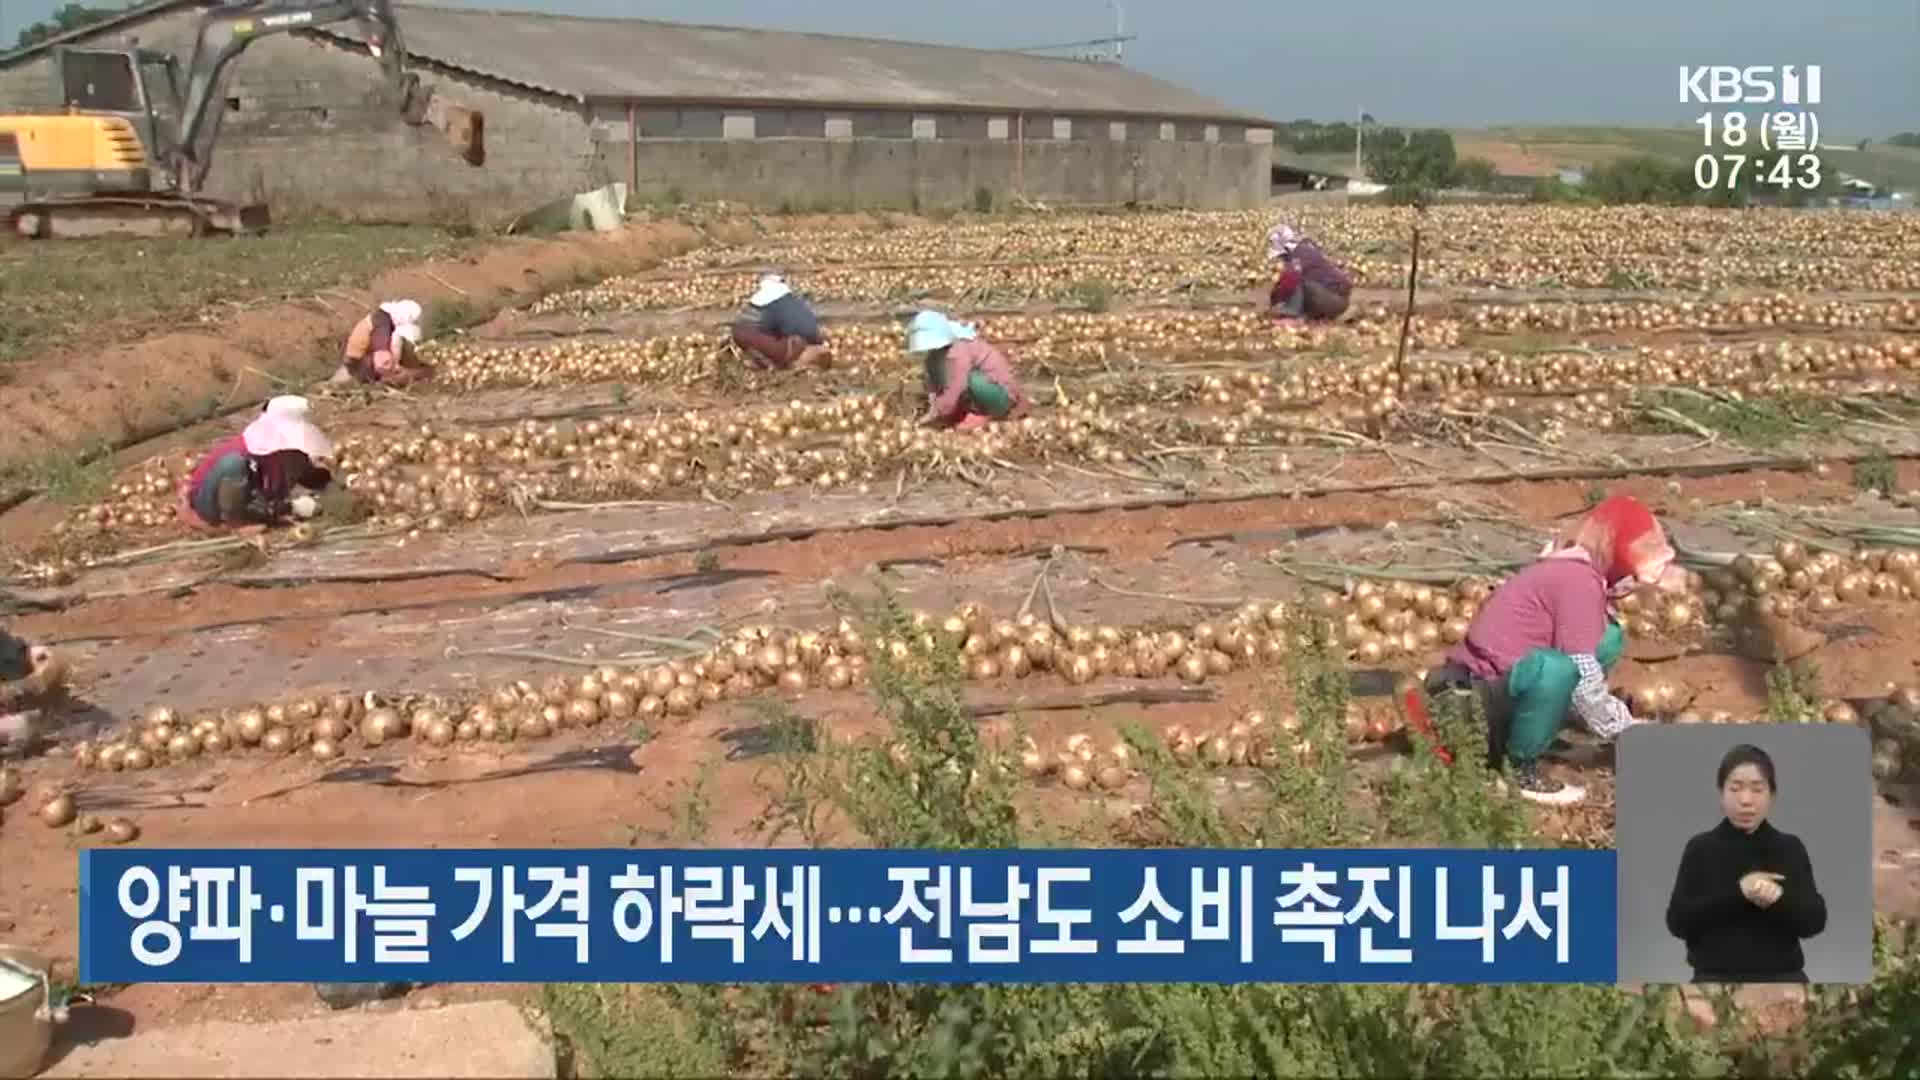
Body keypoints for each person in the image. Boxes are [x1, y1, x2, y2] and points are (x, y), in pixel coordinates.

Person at [1410, 495, 1685, 804]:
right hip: (1472, 704)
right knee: (1557, 669)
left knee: (1607, 637)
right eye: (1632, 575)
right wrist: (1626, 730)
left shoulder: (1579, 571)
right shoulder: (1577, 583)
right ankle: (1518, 770)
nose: (1633, 585)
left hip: (1498, 687)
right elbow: (1581, 675)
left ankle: (1542, 730)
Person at [1665, 744, 1827, 983]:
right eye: (1735, 789)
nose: (1746, 800)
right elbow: (1678, 922)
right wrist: (1740, 892)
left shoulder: (1789, 847)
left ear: (1772, 795)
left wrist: (1778, 900)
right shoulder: (1700, 848)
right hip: (1713, 980)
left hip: (1783, 978)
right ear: (1721, 794)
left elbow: (1814, 922)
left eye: (1757, 789)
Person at [178, 396, 335, 533]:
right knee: (234, 464)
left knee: (270, 507)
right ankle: (236, 523)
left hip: (248, 498)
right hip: (208, 502)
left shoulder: (293, 452)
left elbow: (307, 474)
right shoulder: (254, 448)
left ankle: (248, 515)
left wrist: (336, 490)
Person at [905, 310, 1028, 430]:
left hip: (1001, 396)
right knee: (945, 377)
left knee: (971, 379)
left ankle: (984, 414)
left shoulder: (959, 349)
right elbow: (934, 384)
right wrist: (934, 407)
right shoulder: (935, 356)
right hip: (977, 395)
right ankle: (964, 412)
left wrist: (938, 412)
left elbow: (958, 384)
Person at [731, 274, 831, 371]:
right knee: (794, 344)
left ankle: (771, 362)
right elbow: (807, 329)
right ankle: (784, 363)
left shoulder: (764, 300)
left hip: (742, 334)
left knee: (782, 344)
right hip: (758, 336)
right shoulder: (788, 301)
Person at [331, 300, 431, 388]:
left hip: (360, 362)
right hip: (359, 366)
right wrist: (397, 371)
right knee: (408, 375)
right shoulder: (381, 327)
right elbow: (381, 363)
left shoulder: (382, 321)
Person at [1266, 223, 1354, 322]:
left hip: (1335, 299)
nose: (1280, 258)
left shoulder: (1300, 253)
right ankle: (1309, 314)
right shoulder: (1301, 251)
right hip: (1333, 297)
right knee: (1299, 282)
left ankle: (1292, 314)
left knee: (1298, 280)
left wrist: (1276, 298)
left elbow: (1290, 279)